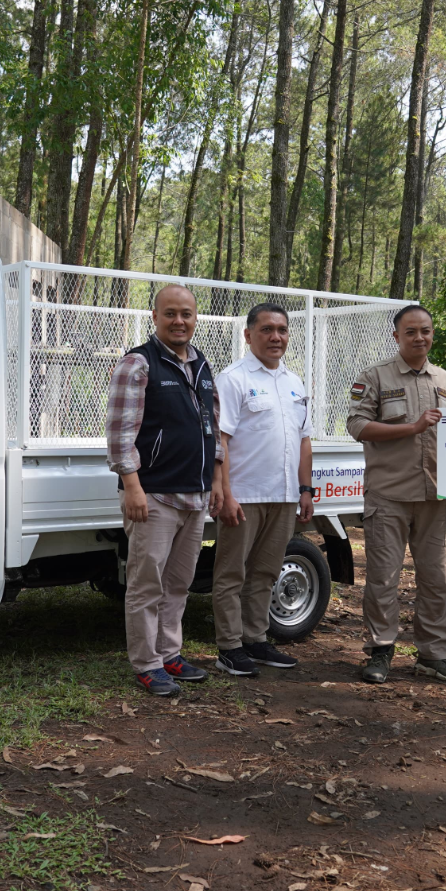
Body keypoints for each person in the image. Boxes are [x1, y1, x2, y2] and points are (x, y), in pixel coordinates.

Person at [106, 284, 226, 697]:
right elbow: (120, 434)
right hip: (154, 495)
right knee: (147, 584)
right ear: (155, 316)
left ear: (196, 319)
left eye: (187, 314)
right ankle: (147, 663)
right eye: (171, 313)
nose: (180, 321)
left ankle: (169, 652)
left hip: (194, 496)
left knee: (178, 583)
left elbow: (212, 427)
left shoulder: (203, 365)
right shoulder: (138, 364)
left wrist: (215, 479)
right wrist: (132, 486)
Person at [347, 304, 446, 685]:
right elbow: (357, 425)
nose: (419, 338)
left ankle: (432, 655)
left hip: (435, 498)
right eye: (411, 331)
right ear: (396, 336)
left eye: (426, 331)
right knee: (383, 578)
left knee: (436, 579)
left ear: (433, 334)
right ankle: (380, 651)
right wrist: (411, 428)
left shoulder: (445, 381)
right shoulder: (375, 376)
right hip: (390, 495)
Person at [211, 303, 314, 677]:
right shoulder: (233, 378)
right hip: (244, 496)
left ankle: (254, 639)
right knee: (231, 573)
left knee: (266, 572)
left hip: (284, 496)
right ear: (248, 334)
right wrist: (225, 492)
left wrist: (305, 490)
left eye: (282, 330)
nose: (276, 337)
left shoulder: (294, 382)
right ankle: (229, 647)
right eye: (267, 329)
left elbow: (304, 441)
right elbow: (219, 439)